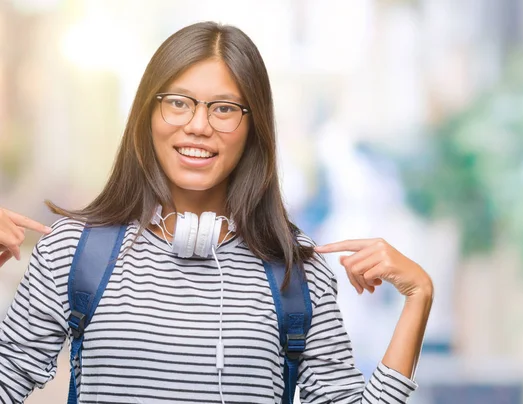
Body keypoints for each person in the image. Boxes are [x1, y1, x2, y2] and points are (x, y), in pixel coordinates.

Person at [0, 22, 433, 403]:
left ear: (253, 127)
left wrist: (419, 298)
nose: (198, 125)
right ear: (148, 113)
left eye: (224, 108)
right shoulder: (72, 252)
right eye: (178, 102)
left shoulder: (297, 273)